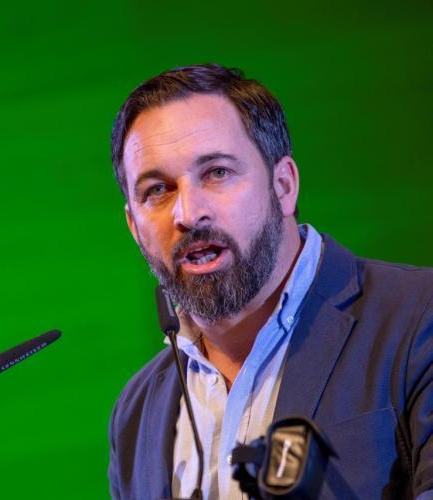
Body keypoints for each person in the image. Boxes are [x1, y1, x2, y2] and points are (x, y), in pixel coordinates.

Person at [107, 63, 433, 499]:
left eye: (217, 172)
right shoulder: (135, 414)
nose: (187, 213)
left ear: (283, 186)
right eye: (157, 190)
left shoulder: (419, 318)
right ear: (134, 226)